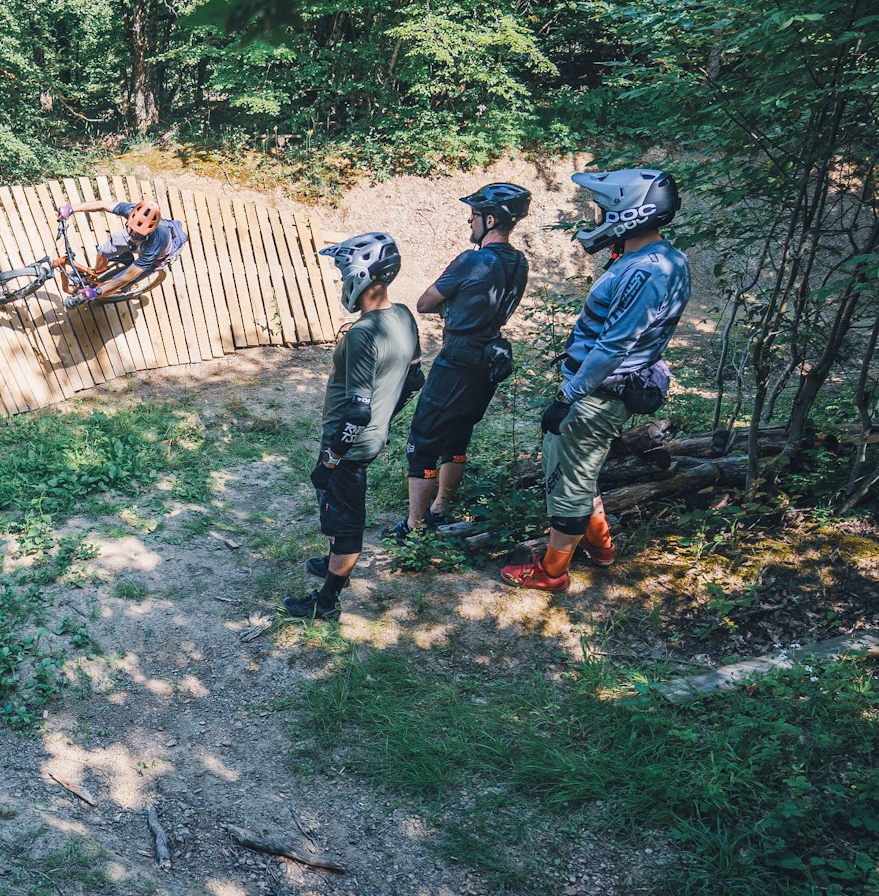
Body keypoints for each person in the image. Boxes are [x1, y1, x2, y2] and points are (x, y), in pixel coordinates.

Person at [503, 167, 690, 593]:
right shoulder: (664, 259)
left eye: (605, 207)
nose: (598, 215)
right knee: (582, 473)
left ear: (631, 212)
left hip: (594, 394)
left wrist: (567, 396)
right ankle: (601, 549)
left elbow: (613, 346)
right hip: (606, 389)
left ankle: (551, 574)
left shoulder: (645, 271)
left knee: (567, 486)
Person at [288, 232, 423, 619]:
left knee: (345, 524)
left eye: (342, 273)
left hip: (349, 446)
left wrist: (331, 457)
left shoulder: (364, 334)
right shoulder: (402, 317)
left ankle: (326, 602)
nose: (340, 282)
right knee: (334, 508)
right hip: (367, 439)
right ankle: (331, 559)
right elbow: (415, 381)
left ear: (360, 275)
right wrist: (384, 420)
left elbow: (358, 411)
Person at [388, 183, 531, 540]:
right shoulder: (519, 261)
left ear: (491, 219)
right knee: (458, 437)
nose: (469, 219)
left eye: (475, 214)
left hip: (458, 359)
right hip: (490, 357)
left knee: (422, 442)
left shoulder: (473, 260)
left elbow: (423, 303)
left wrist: (449, 308)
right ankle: (440, 508)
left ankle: (414, 527)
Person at [53, 198, 187, 308]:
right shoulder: (133, 212)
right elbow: (103, 204)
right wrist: (71, 208)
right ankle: (97, 273)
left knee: (120, 283)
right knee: (103, 251)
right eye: (131, 229)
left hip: (156, 255)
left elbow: (126, 277)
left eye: (138, 234)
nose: (134, 235)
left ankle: (99, 291)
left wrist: (96, 292)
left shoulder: (156, 243)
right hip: (140, 242)